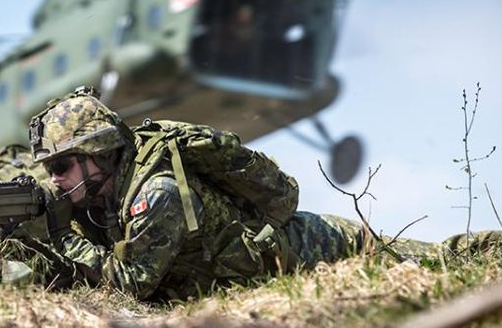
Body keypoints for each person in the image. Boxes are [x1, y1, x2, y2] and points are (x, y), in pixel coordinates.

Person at [25, 86, 388, 301]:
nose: (54, 179)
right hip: (268, 265)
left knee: (431, 258)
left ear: (98, 154)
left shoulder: (156, 193)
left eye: (60, 167)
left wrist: (61, 236)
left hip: (318, 245)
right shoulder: (103, 195)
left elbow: (132, 283)